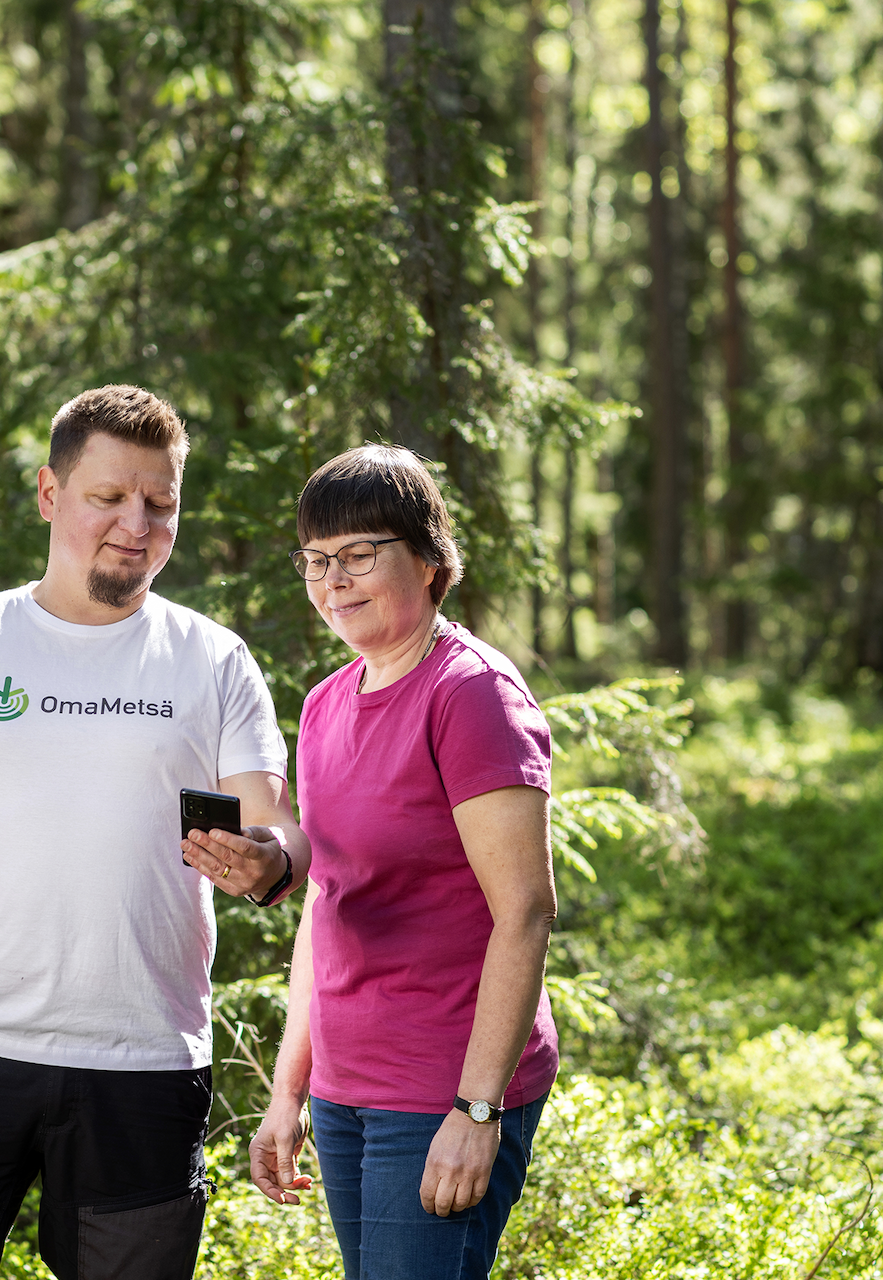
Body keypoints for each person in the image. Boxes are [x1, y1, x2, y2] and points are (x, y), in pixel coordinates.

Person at [0, 385, 310, 1280]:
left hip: (145, 1065)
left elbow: (277, 828)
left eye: (160, 503)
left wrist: (269, 864)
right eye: (108, 497)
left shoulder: (213, 659)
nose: (137, 524)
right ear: (50, 494)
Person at [237, 444, 558, 1280]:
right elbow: (327, 903)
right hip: (346, 1090)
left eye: (358, 554)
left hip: (444, 1086)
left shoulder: (471, 693)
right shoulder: (325, 703)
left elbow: (525, 911)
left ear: (428, 558)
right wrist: (288, 1091)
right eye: (316, 560)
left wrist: (477, 1109)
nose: (333, 581)